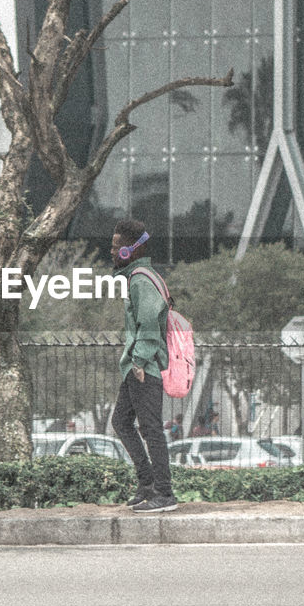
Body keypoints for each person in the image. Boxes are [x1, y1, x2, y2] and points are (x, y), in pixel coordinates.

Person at [109, 219, 178, 513]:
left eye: (116, 247)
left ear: (130, 251)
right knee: (121, 422)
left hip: (143, 368)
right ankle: (147, 484)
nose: (111, 251)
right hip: (136, 367)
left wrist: (138, 360)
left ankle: (164, 493)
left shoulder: (140, 279)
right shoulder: (141, 276)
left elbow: (149, 323)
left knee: (151, 429)